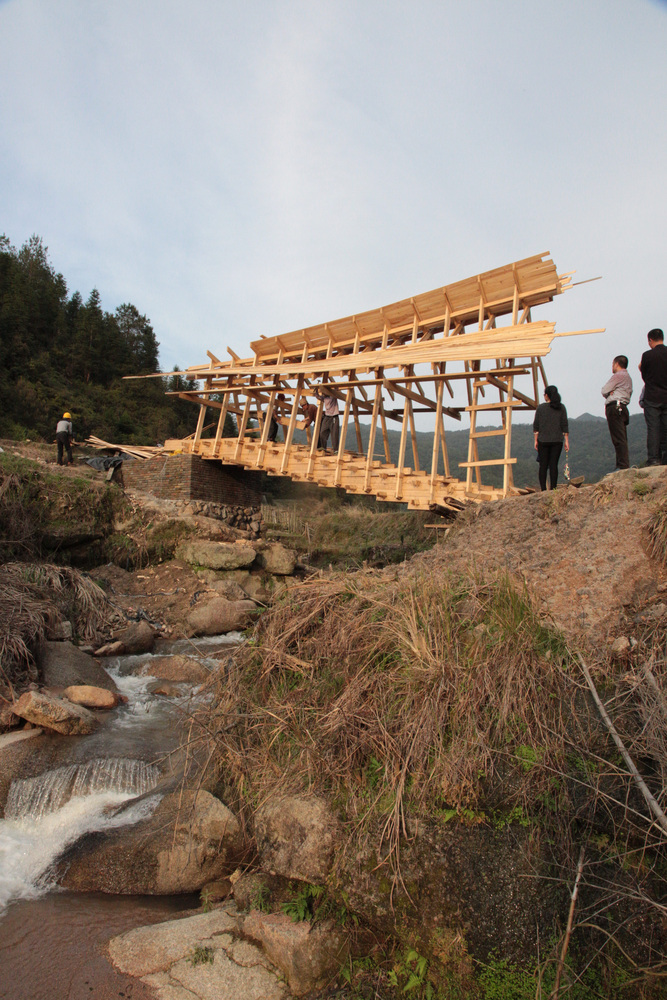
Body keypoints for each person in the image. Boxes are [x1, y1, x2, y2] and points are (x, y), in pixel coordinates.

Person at [639, 328, 667, 466]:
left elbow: (644, 375)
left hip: (652, 397)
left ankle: (654, 459)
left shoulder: (647, 356)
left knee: (653, 429)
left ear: (650, 340)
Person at [533, 386, 569, 490]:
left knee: (543, 466)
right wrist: (566, 441)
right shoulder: (561, 407)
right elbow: (564, 425)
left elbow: (536, 426)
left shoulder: (541, 408)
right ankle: (553, 488)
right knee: (554, 465)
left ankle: (543, 489)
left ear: (547, 395)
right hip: (557, 440)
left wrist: (535, 440)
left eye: (544, 394)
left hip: (543, 440)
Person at [601, 355, 633, 470]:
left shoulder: (618, 376)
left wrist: (610, 393)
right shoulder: (628, 377)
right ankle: (622, 464)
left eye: (613, 364)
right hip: (623, 407)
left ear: (616, 364)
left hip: (615, 406)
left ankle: (622, 465)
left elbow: (604, 390)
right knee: (621, 437)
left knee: (618, 438)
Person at [314, 385, 340, 452]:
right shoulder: (324, 398)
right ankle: (323, 447)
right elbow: (318, 397)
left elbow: (336, 392)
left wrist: (336, 388)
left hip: (334, 416)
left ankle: (335, 450)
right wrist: (316, 391)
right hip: (327, 416)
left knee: (334, 435)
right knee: (322, 432)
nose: (323, 394)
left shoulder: (333, 396)